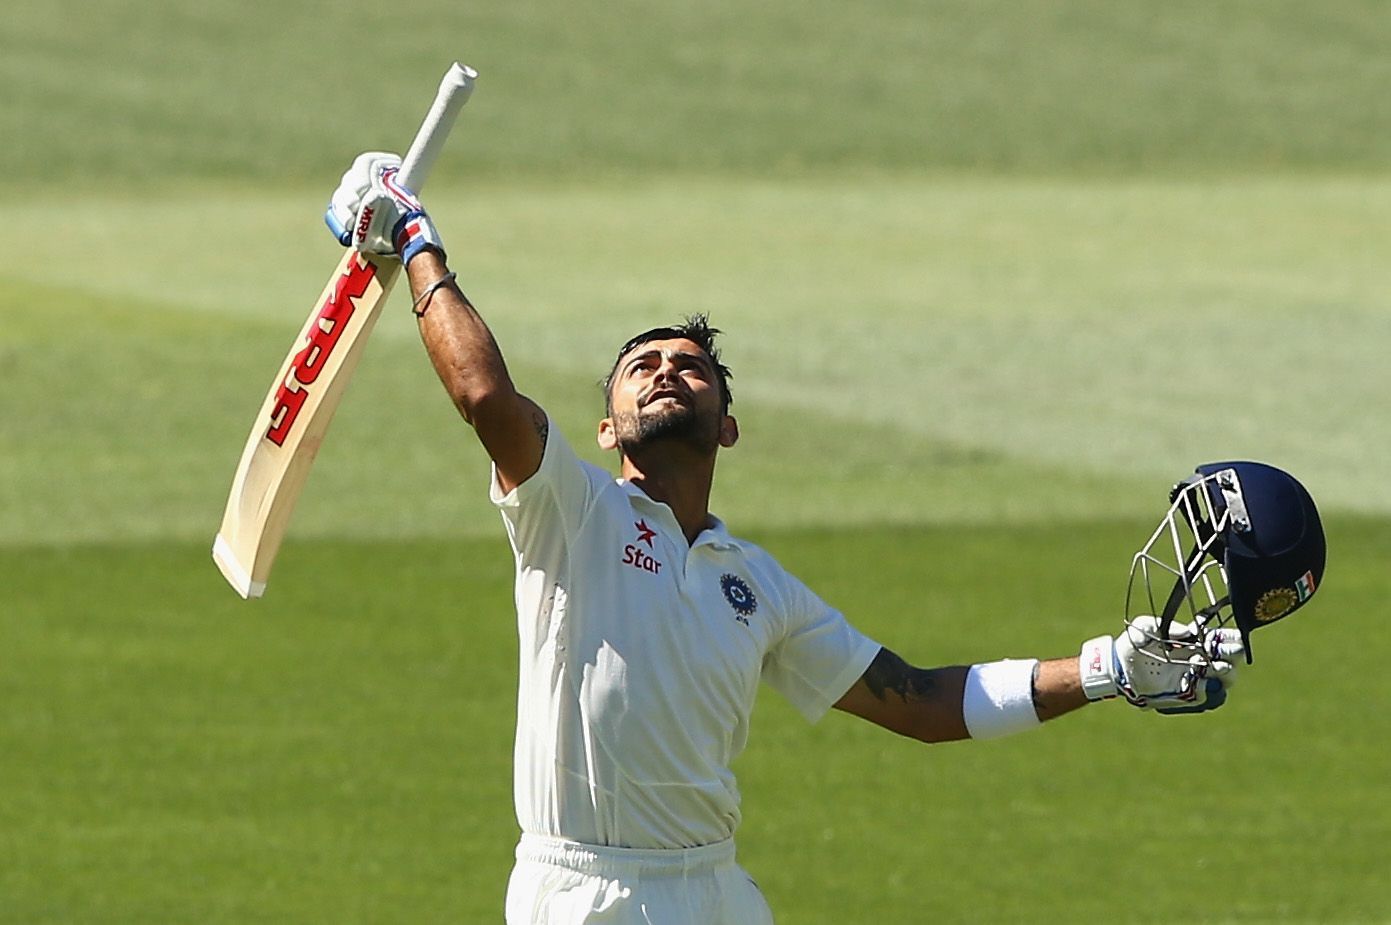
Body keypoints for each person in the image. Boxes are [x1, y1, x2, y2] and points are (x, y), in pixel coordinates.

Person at [325, 154, 1246, 924]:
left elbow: (922, 700)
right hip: (582, 893)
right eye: (640, 366)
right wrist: (416, 243)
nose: (664, 374)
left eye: (689, 367)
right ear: (603, 428)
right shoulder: (567, 512)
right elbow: (485, 397)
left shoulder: (754, 587)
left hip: (717, 891)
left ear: (726, 426)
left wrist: (1105, 667)